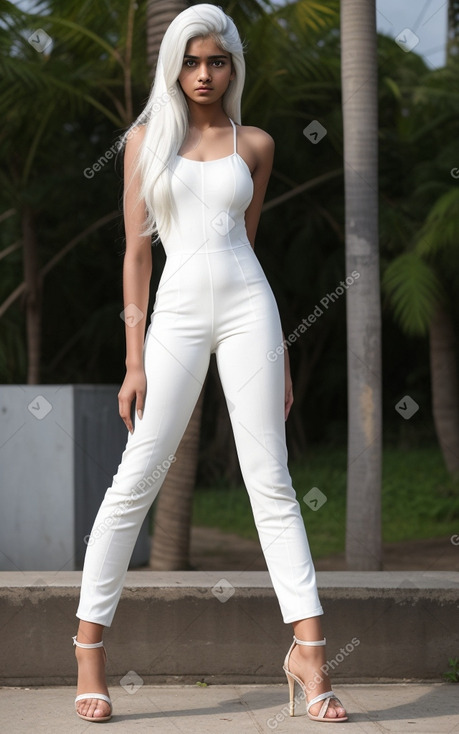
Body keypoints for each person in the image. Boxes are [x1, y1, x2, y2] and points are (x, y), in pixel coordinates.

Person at [73, 3, 348, 724]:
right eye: (191, 62)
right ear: (175, 67)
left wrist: (279, 350)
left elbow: (247, 247)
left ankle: (310, 656)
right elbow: (136, 254)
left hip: (248, 310)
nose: (203, 74)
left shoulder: (253, 142)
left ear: (232, 67)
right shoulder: (143, 142)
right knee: (137, 477)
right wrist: (133, 359)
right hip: (175, 316)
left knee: (272, 480)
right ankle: (89, 653)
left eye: (216, 61)